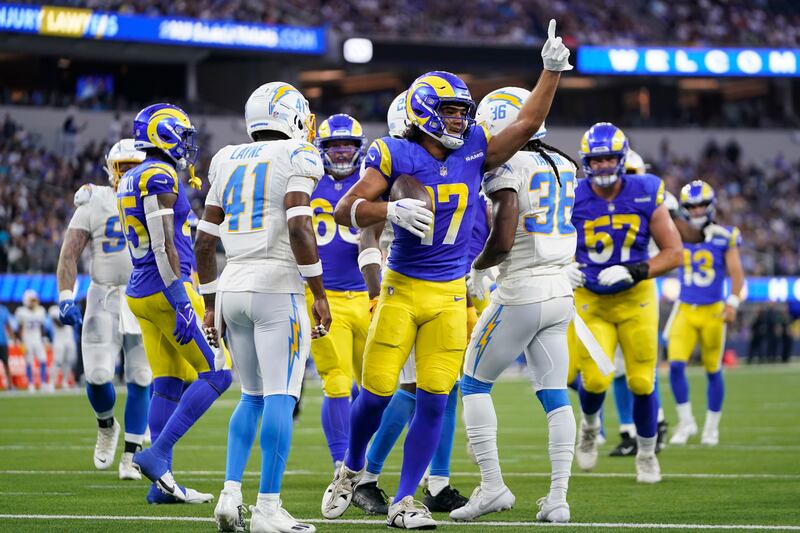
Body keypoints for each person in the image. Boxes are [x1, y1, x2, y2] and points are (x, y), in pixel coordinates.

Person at [321, 20, 571, 529]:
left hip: (451, 295)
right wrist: (389, 210)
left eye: (462, 111)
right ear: (423, 112)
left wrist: (550, 72)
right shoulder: (393, 151)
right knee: (377, 393)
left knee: (436, 398)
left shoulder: (475, 146)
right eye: (450, 111)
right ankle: (351, 467)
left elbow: (526, 124)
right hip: (402, 289)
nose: (460, 119)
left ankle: (405, 500)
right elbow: (347, 209)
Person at [196, 82, 329, 533]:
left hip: (232, 284)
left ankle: (230, 495)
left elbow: (203, 243)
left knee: (250, 397)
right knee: (280, 396)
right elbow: (298, 226)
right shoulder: (299, 154)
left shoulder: (226, 158)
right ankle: (267, 508)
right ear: (291, 116)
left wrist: (210, 304)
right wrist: (319, 293)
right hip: (276, 285)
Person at [451, 87, 578, 523]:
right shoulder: (562, 162)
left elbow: (504, 238)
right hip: (559, 289)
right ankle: (558, 499)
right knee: (555, 394)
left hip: (522, 288)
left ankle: (492, 486)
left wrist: (479, 267)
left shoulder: (508, 164)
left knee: (473, 384)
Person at [352, 91, 469, 516]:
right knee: (403, 391)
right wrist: (374, 292)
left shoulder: (452, 165)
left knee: (439, 390)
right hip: (399, 287)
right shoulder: (393, 167)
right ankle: (365, 475)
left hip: (445, 286)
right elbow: (366, 235)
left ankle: (434, 480)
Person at [118, 103, 232, 503]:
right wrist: (182, 300)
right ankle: (158, 454)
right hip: (166, 288)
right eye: (182, 136)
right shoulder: (158, 174)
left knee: (167, 383)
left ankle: (161, 486)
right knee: (218, 373)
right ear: (162, 134)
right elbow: (163, 243)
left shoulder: (132, 175)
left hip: (142, 292)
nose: (186, 144)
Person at [567, 122, 682, 484]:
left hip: (636, 297)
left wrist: (635, 270)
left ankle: (646, 454)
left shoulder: (645, 189)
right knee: (595, 379)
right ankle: (590, 426)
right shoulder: (572, 195)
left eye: (608, 158)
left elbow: (674, 252)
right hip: (591, 298)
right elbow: (550, 241)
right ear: (586, 162)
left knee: (642, 381)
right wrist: (562, 267)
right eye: (595, 160)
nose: (602, 165)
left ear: (621, 158)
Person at [57, 139, 153, 480]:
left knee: (141, 375)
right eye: (122, 167)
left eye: (134, 167)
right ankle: (106, 424)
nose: (128, 173)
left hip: (143, 295)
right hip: (103, 295)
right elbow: (69, 252)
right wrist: (66, 295)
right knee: (97, 375)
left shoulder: (156, 197)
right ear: (111, 169)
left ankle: (131, 456)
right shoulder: (94, 199)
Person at [306, 113, 370, 473]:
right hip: (323, 297)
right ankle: (340, 461)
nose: (342, 151)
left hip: (366, 294)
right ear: (322, 148)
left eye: (348, 144)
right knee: (337, 381)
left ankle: (360, 453)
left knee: (376, 384)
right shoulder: (308, 181)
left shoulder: (372, 180)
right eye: (334, 145)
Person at [667, 180, 744, 446]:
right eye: (692, 207)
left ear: (711, 206)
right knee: (675, 366)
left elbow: (736, 272)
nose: (697, 210)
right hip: (685, 308)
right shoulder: (676, 233)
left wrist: (732, 302)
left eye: (701, 205)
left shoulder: (725, 235)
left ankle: (711, 428)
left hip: (713, 311)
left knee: (713, 369)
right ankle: (686, 421)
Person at [15, 289, 48, 392]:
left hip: (38, 339)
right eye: (32, 300)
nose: (34, 302)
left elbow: (42, 327)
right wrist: (20, 340)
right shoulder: (21, 312)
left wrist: (43, 338)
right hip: (27, 339)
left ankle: (43, 383)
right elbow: (19, 328)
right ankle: (30, 383)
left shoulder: (40, 310)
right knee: (29, 362)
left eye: (34, 299)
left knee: (43, 360)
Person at [47, 305, 77, 389]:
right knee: (57, 362)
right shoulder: (54, 309)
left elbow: (74, 322)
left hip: (69, 339)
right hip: (59, 340)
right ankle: (51, 382)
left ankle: (65, 382)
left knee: (68, 362)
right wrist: (67, 317)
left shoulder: (70, 308)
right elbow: (59, 324)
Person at [0, 303, 15, 389]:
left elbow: (8, 325)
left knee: (6, 363)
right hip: (3, 341)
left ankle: (10, 385)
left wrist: (13, 337)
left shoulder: (3, 310)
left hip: (3, 341)